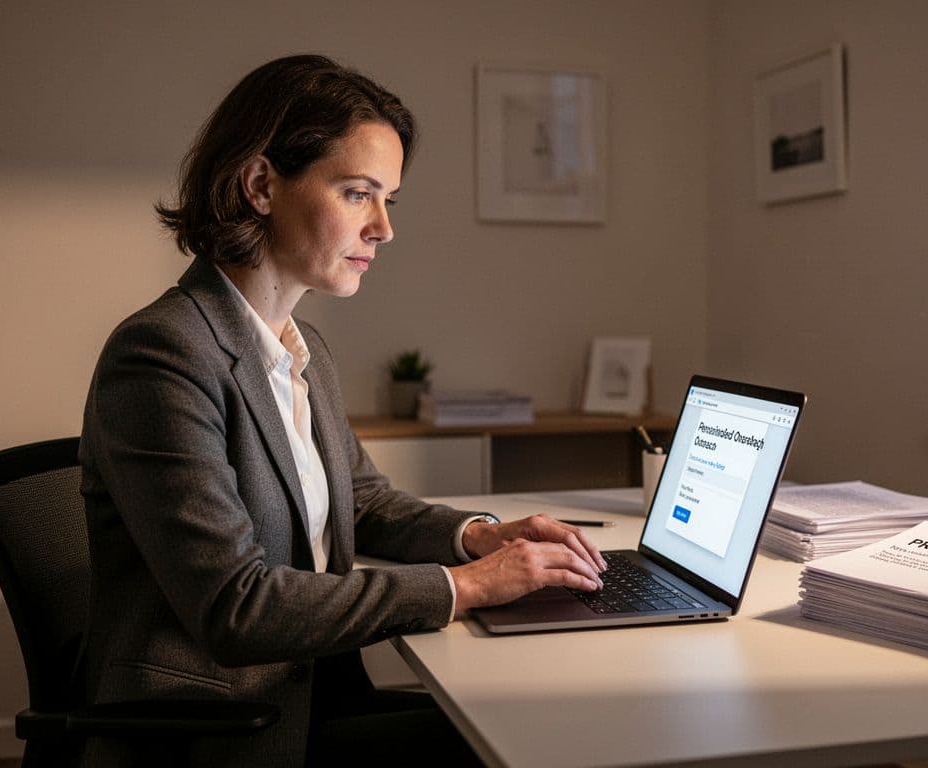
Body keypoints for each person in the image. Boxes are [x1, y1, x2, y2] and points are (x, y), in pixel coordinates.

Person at [78, 54, 606, 766]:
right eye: (359, 193)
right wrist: (467, 588)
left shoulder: (304, 349)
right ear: (262, 184)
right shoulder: (162, 356)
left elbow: (363, 500)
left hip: (313, 694)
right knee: (529, 744)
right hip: (219, 727)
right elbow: (238, 607)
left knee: (527, 722)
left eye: (388, 199)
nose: (383, 228)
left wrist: (479, 536)